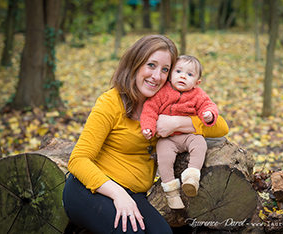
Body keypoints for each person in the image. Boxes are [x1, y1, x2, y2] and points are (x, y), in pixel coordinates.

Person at [62, 35, 229, 234]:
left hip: (135, 194)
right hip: (91, 189)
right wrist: (118, 195)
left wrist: (177, 122)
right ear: (135, 64)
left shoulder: (166, 104)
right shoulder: (110, 103)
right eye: (151, 65)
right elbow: (78, 160)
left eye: (165, 69)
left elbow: (220, 127)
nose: (157, 76)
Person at [140, 55, 218, 209]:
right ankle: (171, 193)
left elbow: (208, 105)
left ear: (197, 82)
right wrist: (148, 126)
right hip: (167, 139)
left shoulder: (198, 94)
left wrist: (209, 115)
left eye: (189, 74)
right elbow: (150, 110)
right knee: (164, 158)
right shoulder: (162, 92)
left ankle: (192, 176)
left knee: (200, 144)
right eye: (179, 71)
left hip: (189, 136)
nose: (183, 76)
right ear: (170, 75)